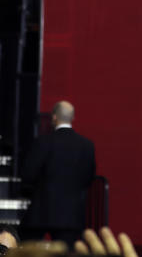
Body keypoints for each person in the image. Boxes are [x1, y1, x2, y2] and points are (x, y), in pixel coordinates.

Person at [20, 100, 96, 245]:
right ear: (73, 118)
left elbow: (28, 174)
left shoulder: (43, 142)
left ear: (54, 117)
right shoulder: (87, 145)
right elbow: (88, 178)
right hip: (71, 215)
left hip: (41, 211)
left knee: (28, 255)